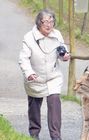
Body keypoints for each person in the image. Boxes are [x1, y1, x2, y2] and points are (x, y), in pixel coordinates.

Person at [18, 9, 70, 140]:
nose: (49, 25)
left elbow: (62, 50)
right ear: (38, 23)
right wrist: (29, 73)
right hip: (36, 78)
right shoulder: (29, 37)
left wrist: (64, 56)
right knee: (34, 108)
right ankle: (34, 134)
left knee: (54, 103)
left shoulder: (57, 34)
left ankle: (56, 136)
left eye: (51, 21)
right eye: (45, 21)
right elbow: (23, 59)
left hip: (53, 77)